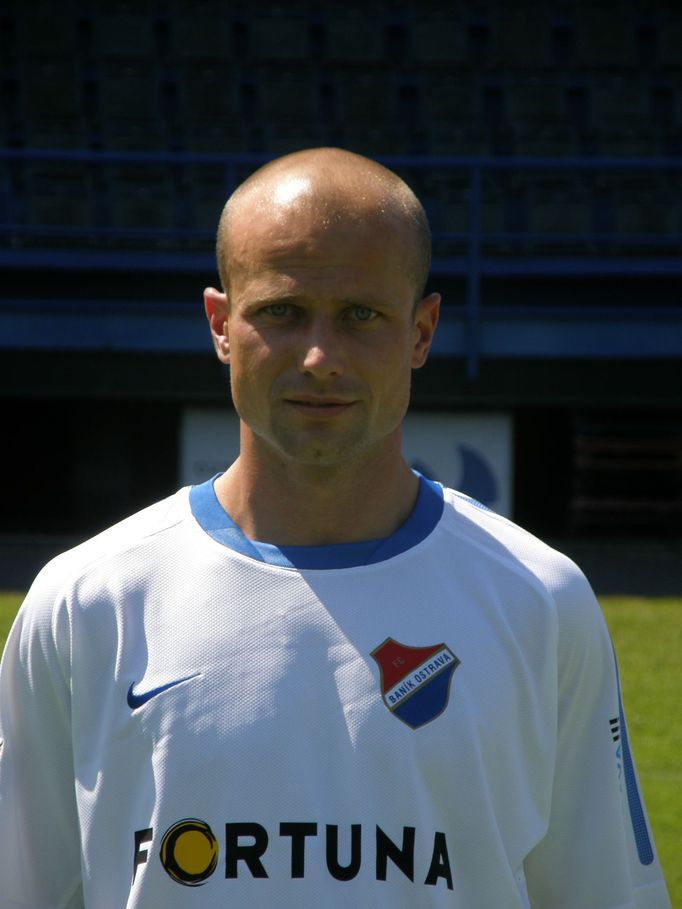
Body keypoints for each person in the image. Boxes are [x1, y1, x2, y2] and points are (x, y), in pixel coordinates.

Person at [0, 148, 671, 908]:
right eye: (282, 312)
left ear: (421, 331)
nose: (320, 357)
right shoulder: (86, 602)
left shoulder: (540, 601)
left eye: (361, 315)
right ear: (221, 324)